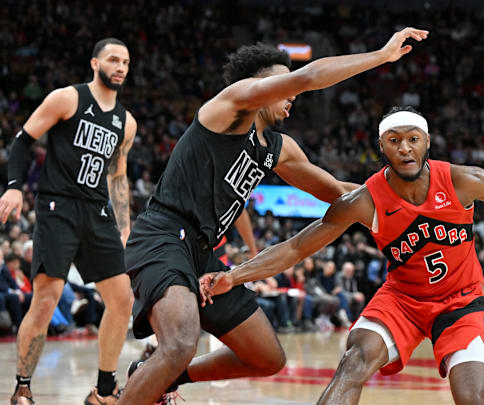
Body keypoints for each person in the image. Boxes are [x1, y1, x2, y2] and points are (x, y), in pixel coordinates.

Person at [200, 106, 484, 405]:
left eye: (413, 139)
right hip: (401, 300)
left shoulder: (464, 180)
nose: (404, 147)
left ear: (427, 143)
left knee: (473, 397)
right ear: (382, 147)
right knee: (353, 361)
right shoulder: (364, 200)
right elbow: (298, 246)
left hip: (461, 303)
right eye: (394, 140)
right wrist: (235, 275)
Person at [118, 28, 428, 405]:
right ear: (258, 85)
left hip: (202, 253)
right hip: (164, 236)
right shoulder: (230, 107)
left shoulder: (278, 148)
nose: (292, 93)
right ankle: (161, 369)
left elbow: (338, 192)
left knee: (267, 357)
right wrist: (381, 56)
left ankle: (165, 375)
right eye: (283, 82)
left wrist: (413, 199)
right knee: (180, 341)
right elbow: (309, 76)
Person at [0, 38, 136, 405]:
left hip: (99, 213)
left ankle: (104, 389)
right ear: (95, 63)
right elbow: (22, 141)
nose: (120, 66)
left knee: (122, 299)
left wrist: (124, 225)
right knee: (46, 299)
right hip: (58, 207)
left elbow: (118, 176)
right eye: (113, 59)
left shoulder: (127, 122)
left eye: (125, 61)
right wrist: (14, 188)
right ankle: (23, 387)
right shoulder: (68, 99)